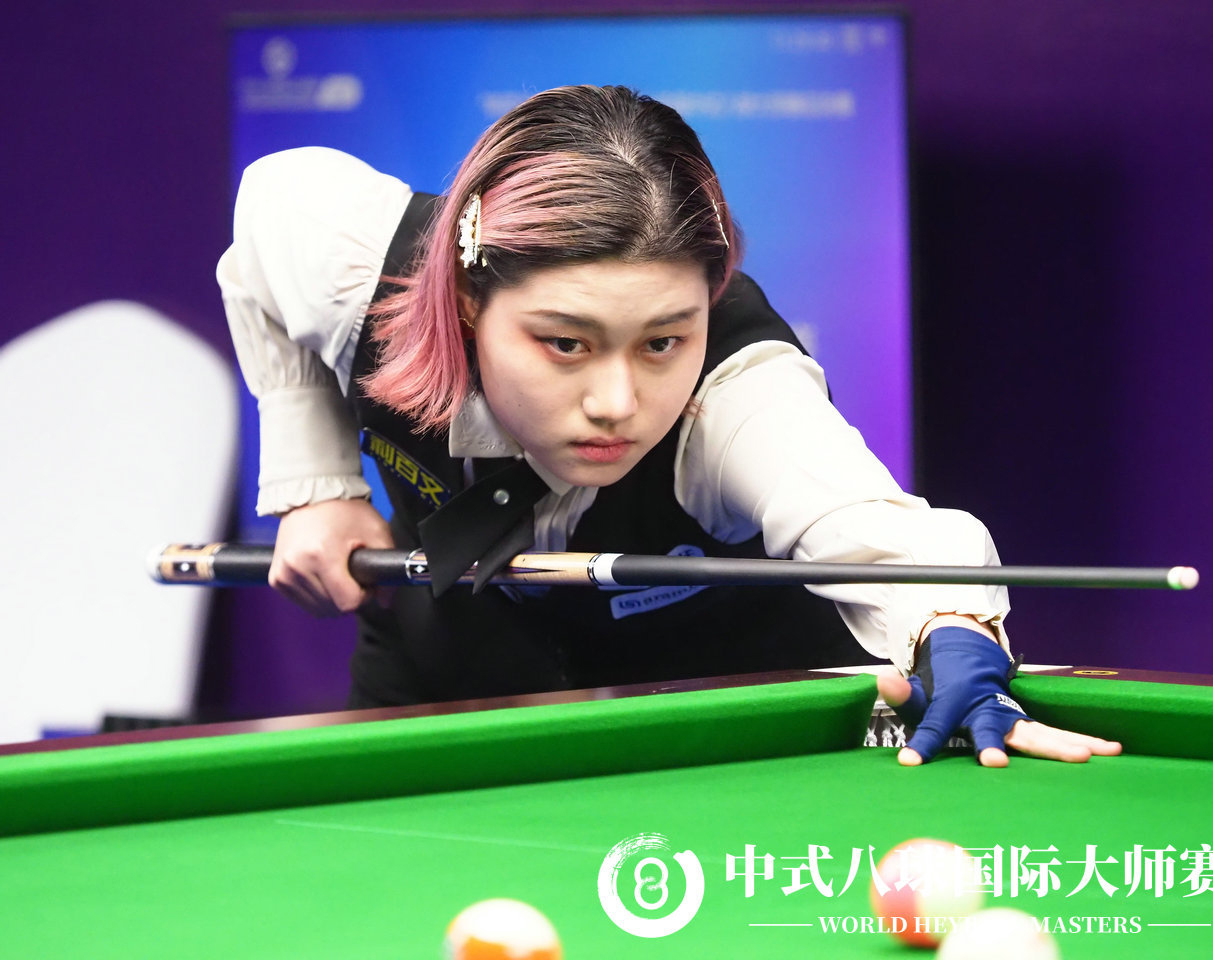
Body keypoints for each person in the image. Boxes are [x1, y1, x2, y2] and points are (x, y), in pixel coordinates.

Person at [218, 84, 1119, 767]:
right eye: (565, 343)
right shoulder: (365, 273)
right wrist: (317, 485)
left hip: (715, 732)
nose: (618, 401)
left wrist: (951, 628)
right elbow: (266, 210)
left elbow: (870, 525)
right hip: (446, 674)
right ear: (465, 300)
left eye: (663, 341)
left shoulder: (737, 396)